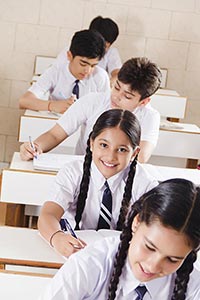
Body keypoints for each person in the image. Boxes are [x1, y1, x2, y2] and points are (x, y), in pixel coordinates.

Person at [39, 178, 200, 300]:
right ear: (136, 222)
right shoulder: (88, 266)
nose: (153, 266)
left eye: (172, 259)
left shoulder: (192, 285)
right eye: (149, 247)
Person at [38, 109, 158, 257]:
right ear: (91, 143)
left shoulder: (145, 184)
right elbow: (48, 214)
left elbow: (155, 230)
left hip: (121, 256)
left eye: (121, 150)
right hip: (73, 250)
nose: (110, 156)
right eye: (104, 145)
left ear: (134, 153)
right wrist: (57, 237)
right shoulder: (73, 172)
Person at [20, 57, 162, 163]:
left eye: (127, 96)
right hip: (82, 172)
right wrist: (36, 147)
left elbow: (141, 157)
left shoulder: (150, 116)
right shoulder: (93, 101)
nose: (117, 97)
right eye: (117, 87)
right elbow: (55, 134)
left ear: (144, 101)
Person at [19, 29, 110, 113]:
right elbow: (24, 101)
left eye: (93, 65)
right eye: (83, 64)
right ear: (69, 56)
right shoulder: (56, 71)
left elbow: (107, 109)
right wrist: (52, 105)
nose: (87, 70)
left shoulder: (100, 76)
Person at [55, 16, 122, 85]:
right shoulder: (73, 50)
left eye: (106, 47)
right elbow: (56, 71)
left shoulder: (111, 53)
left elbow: (117, 74)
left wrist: (111, 83)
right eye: (83, 63)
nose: (102, 50)